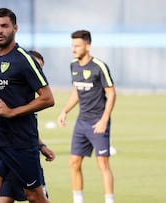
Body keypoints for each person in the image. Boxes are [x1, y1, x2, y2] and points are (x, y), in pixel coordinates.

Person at [0, 8, 54, 203]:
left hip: (21, 142)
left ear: (15, 28)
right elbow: (4, 96)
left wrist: (13, 112)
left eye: (4, 26)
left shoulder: (24, 59)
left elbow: (48, 98)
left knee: (35, 197)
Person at [57, 30, 116, 203]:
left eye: (77, 46)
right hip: (81, 122)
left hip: (98, 122)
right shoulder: (73, 65)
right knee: (73, 162)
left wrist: (104, 120)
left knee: (103, 165)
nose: (73, 49)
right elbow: (76, 91)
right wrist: (65, 111)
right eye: (72, 46)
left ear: (87, 46)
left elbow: (111, 94)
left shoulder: (99, 66)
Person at [0, 50, 55, 203]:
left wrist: (42, 146)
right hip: (8, 156)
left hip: (27, 157)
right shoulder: (11, 93)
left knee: (37, 198)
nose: (37, 73)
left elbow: (28, 128)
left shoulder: (35, 100)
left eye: (40, 69)